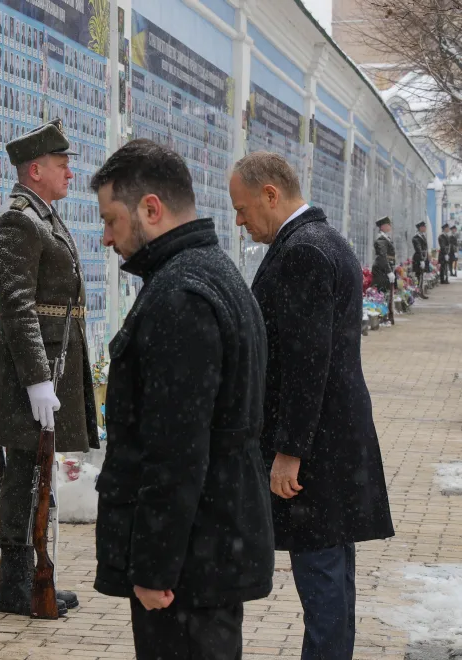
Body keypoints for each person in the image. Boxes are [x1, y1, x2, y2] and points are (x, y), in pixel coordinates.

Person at [91, 139, 273, 658]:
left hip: (191, 560)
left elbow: (176, 450)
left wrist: (153, 568)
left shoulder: (181, 296)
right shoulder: (208, 272)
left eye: (112, 220)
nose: (107, 238)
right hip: (212, 544)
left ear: (150, 208)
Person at [230, 151, 393, 660]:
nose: (239, 220)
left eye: (242, 208)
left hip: (316, 450)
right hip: (334, 436)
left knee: (320, 573)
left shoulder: (302, 251)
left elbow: (306, 362)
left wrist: (288, 451)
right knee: (331, 572)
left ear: (270, 195)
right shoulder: (325, 240)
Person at [0, 119, 94, 617]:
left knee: (38, 474)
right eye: (61, 164)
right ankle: (16, 582)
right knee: (25, 475)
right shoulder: (18, 221)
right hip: (29, 372)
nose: (70, 172)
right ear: (36, 169)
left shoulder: (44, 217)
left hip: (54, 364)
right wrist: (36, 378)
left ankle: (31, 573)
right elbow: (18, 306)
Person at [372, 217, 396, 297]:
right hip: (381, 269)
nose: (390, 226)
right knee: (381, 291)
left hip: (384, 268)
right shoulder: (381, 239)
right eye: (388, 224)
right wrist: (389, 271)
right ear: (382, 227)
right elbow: (383, 256)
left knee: (386, 292)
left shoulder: (385, 238)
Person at [413, 221, 430, 298]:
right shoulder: (416, 238)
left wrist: (427, 256)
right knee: (419, 275)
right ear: (420, 228)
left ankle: (421, 291)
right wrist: (421, 260)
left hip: (424, 258)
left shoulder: (423, 236)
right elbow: (418, 249)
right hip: (418, 259)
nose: (425, 228)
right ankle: (419, 292)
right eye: (424, 227)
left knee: (422, 275)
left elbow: (425, 248)